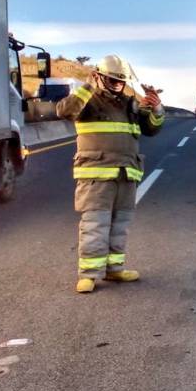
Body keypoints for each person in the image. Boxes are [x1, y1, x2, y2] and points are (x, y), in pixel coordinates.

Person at [56, 55, 164, 294]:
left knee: (120, 225)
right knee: (95, 225)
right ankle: (89, 274)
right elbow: (64, 111)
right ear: (99, 77)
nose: (116, 85)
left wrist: (156, 107)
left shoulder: (129, 104)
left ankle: (115, 269)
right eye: (112, 80)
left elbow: (152, 129)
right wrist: (88, 86)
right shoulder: (88, 100)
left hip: (126, 174)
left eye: (119, 82)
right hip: (96, 174)